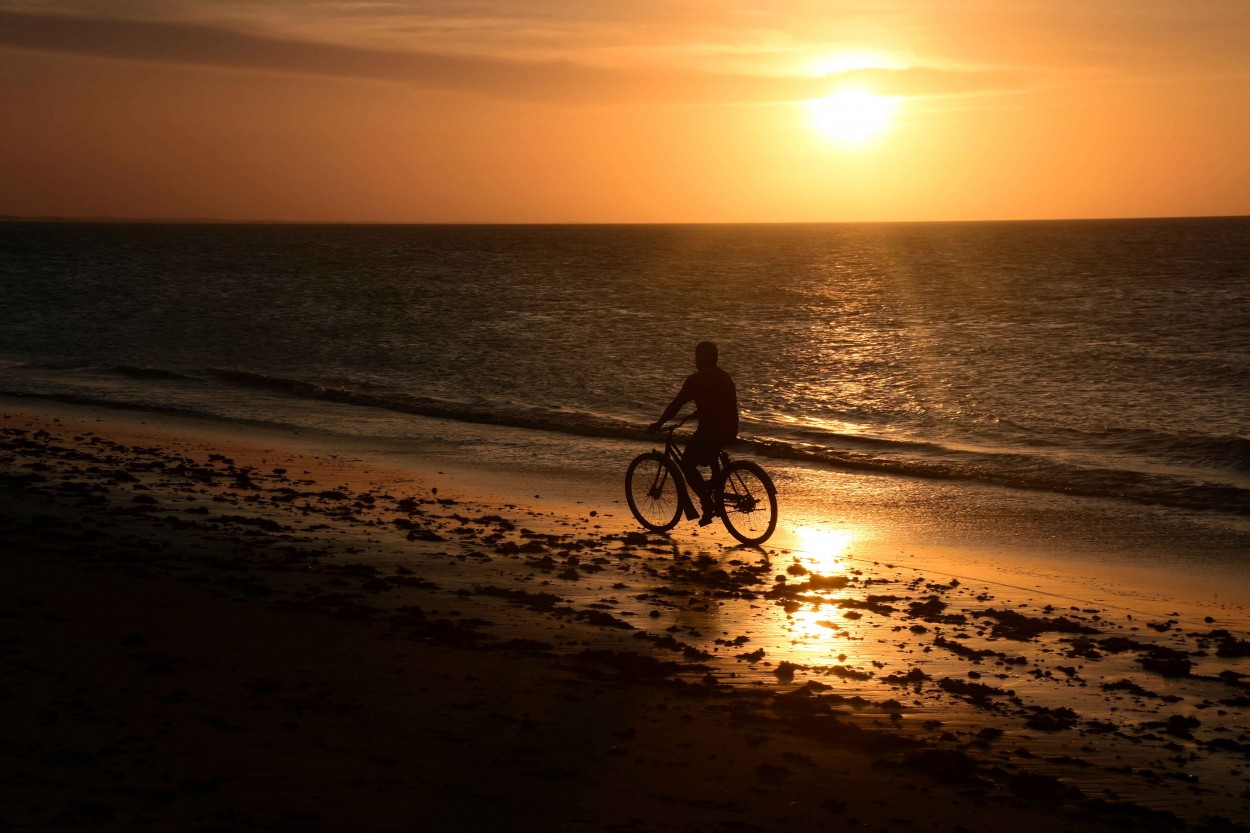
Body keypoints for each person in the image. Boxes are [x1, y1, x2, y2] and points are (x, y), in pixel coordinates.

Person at [648, 341, 739, 525]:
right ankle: (716, 491)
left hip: (710, 432)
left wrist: (659, 423)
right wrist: (700, 412)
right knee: (708, 453)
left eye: (697, 356)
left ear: (700, 359)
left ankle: (707, 504)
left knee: (687, 464)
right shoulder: (724, 376)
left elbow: (676, 405)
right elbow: (722, 404)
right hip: (730, 429)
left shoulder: (696, 380)